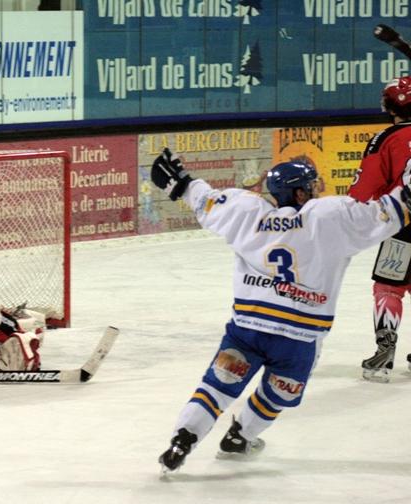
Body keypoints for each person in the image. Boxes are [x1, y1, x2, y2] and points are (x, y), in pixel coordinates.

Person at [149, 148, 411, 474]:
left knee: (217, 388)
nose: (315, 190)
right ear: (299, 193)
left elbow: (205, 201)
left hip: (246, 331)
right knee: (276, 396)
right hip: (297, 341)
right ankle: (240, 437)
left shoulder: (246, 212)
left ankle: (182, 440)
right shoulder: (328, 218)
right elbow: (387, 213)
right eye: (310, 186)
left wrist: (183, 183)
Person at [348, 75, 411, 383]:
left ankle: (384, 355)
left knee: (388, 288)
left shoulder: (386, 138)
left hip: (403, 224)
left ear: (389, 106)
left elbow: (363, 189)